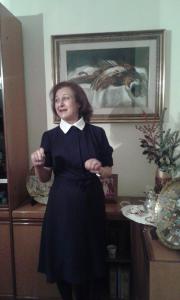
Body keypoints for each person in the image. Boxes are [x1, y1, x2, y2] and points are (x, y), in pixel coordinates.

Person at [31, 81, 113, 300]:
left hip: (90, 204)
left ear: (79, 102)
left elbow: (107, 171)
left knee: (88, 256)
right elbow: (45, 177)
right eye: (56, 100)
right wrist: (38, 164)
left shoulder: (97, 134)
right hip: (62, 205)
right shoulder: (50, 137)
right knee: (63, 256)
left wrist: (98, 166)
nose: (60, 103)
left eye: (65, 98)